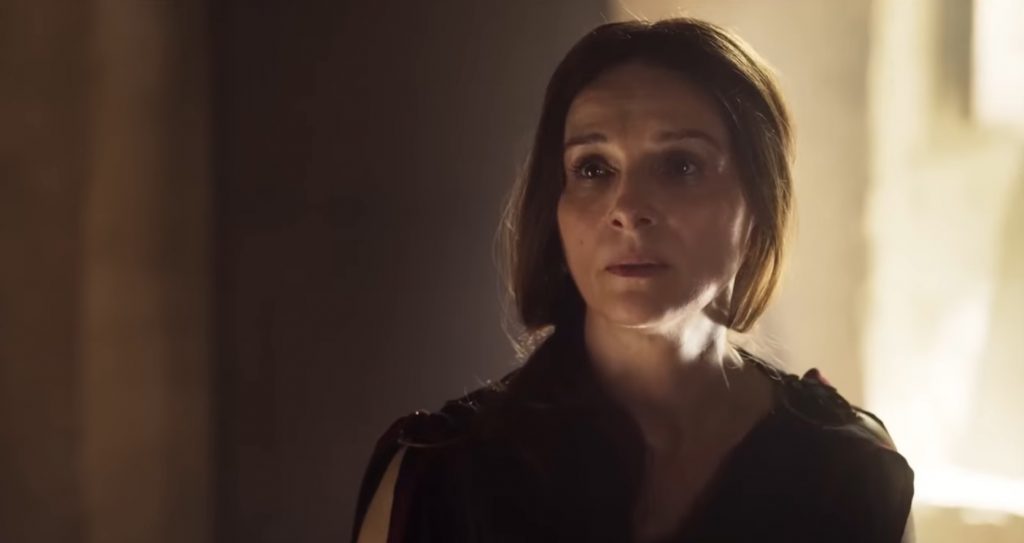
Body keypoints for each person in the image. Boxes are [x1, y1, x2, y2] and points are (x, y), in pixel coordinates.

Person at [351, 17, 914, 543]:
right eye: (593, 168)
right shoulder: (439, 475)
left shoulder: (846, 472)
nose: (627, 208)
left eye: (681, 165)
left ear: (759, 201)